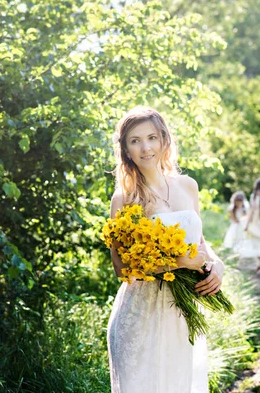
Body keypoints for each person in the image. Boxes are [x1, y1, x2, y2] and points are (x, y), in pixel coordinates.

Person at [106, 106, 225, 393]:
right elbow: (122, 269)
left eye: (151, 138)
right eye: (135, 140)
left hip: (180, 313)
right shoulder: (125, 198)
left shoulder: (188, 186)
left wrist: (217, 264)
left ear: (164, 140)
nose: (145, 147)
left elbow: (200, 244)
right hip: (140, 313)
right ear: (126, 150)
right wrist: (179, 264)